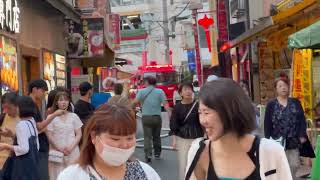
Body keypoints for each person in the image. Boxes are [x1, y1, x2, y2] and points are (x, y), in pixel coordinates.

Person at [185, 78, 292, 180]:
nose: (202, 120)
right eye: (200, 113)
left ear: (229, 112)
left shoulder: (270, 152)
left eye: (207, 112)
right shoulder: (199, 152)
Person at [57, 104, 161, 180]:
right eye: (115, 139)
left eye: (129, 138)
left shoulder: (146, 172)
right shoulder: (72, 176)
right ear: (94, 136)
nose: (124, 145)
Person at [264, 77, 307, 180]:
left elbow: (301, 119)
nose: (283, 88)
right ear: (276, 89)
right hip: (277, 141)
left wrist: (302, 135)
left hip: (293, 140)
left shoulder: (295, 102)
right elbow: (267, 123)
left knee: (294, 164)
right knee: (279, 166)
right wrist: (267, 140)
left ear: (288, 87)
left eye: (285, 85)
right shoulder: (271, 104)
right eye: (280, 86)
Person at [29, 79, 66, 180]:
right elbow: (38, 127)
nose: (43, 94)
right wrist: (54, 115)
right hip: (39, 146)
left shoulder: (34, 104)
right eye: (42, 91)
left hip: (40, 146)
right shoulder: (30, 104)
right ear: (34, 90)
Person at [132, 76, 171, 163]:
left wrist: (131, 109)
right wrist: (169, 114)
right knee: (157, 136)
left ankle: (148, 155)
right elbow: (165, 104)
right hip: (157, 117)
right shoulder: (160, 91)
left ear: (147, 82)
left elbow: (134, 102)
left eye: (144, 81)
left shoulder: (142, 92)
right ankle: (157, 153)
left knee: (147, 137)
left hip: (146, 117)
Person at [0, 96, 40, 180]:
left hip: (22, 168)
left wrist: (5, 146)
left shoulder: (21, 125)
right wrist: (12, 135)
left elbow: (24, 149)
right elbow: (36, 145)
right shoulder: (31, 121)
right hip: (32, 166)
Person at [169, 82, 204, 180]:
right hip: (183, 138)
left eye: (190, 89)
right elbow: (174, 126)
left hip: (198, 137)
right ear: (180, 93)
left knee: (199, 162)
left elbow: (203, 122)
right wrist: (174, 140)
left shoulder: (198, 105)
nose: (188, 91)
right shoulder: (177, 108)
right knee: (184, 163)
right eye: (185, 89)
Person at [47, 92, 83, 180]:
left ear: (69, 102)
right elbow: (49, 135)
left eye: (66, 100)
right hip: (57, 152)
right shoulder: (51, 117)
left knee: (73, 175)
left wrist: (71, 148)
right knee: (57, 175)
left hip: (73, 151)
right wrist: (59, 148)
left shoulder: (74, 116)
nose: (64, 102)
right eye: (61, 100)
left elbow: (79, 134)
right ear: (56, 102)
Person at [0, 92, 19, 168]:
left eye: (9, 108)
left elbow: (27, 144)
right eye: (4, 108)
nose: (6, 111)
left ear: (17, 106)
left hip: (15, 162)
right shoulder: (3, 117)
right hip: (1, 161)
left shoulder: (24, 119)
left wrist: (12, 135)